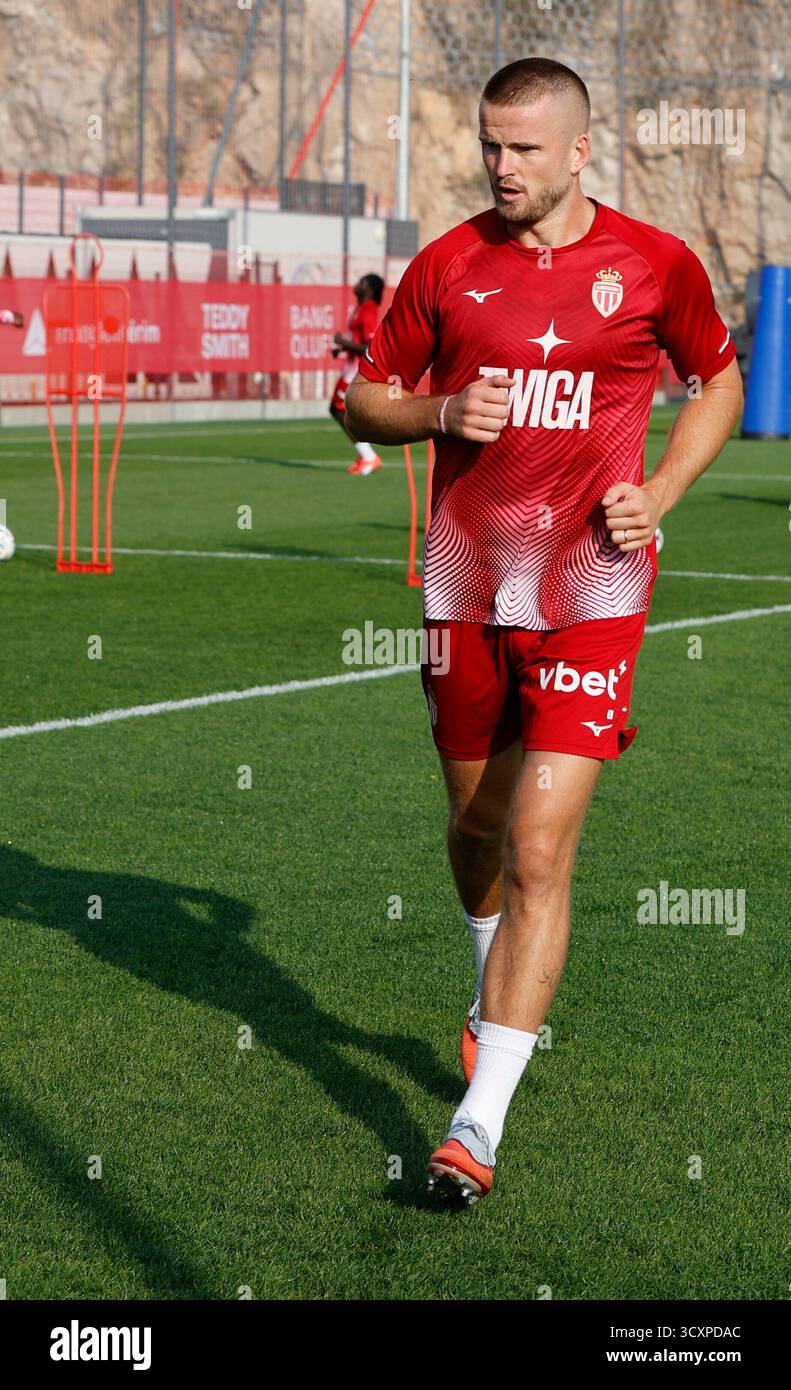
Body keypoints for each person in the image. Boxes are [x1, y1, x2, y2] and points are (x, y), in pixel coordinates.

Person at [345, 57, 743, 1204]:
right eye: (489, 144)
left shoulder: (652, 264)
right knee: (473, 830)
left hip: (594, 589)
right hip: (462, 586)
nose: (500, 166)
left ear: (578, 151)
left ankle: (476, 1123)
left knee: (535, 847)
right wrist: (430, 413)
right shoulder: (445, 265)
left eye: (524, 148)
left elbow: (716, 381)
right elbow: (359, 399)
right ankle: (485, 994)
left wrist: (658, 493)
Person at [330, 274, 385, 475]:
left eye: (361, 283)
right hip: (349, 367)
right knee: (337, 409)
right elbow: (357, 341)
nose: (357, 285)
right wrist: (342, 349)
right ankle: (366, 454)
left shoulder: (369, 310)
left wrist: (343, 343)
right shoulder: (359, 308)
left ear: (369, 289)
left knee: (337, 409)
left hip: (357, 371)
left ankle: (369, 456)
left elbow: (369, 347)